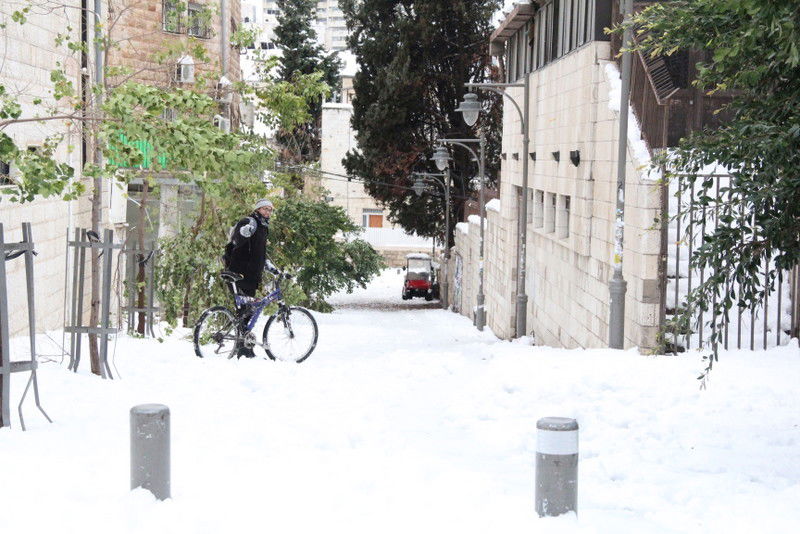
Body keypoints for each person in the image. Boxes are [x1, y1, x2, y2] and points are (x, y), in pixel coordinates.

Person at [224, 198, 277, 357]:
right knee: (245, 311)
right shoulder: (250, 221)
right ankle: (243, 350)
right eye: (264, 209)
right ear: (257, 209)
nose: (267, 212)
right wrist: (243, 233)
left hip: (251, 276)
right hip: (238, 273)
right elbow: (236, 240)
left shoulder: (263, 227)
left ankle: (244, 347)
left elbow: (258, 253)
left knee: (247, 312)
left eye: (270, 210)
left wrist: (270, 268)